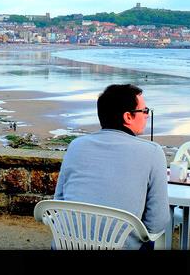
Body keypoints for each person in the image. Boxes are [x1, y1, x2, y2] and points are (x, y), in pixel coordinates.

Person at [53, 84, 170, 250]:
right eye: (144, 111)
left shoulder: (76, 146)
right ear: (128, 117)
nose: (147, 116)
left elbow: (59, 200)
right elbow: (157, 222)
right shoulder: (152, 152)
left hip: (67, 244)